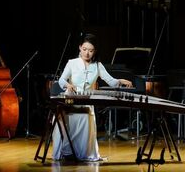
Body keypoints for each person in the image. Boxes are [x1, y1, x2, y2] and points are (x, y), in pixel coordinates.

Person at [52, 34, 133, 162]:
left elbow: (111, 81)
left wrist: (121, 81)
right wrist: (68, 85)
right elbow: (61, 80)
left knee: (86, 117)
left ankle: (82, 153)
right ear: (80, 47)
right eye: (84, 49)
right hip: (71, 99)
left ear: (95, 51)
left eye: (90, 50)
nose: (87, 53)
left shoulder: (97, 66)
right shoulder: (72, 63)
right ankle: (67, 151)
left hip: (86, 101)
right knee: (62, 117)